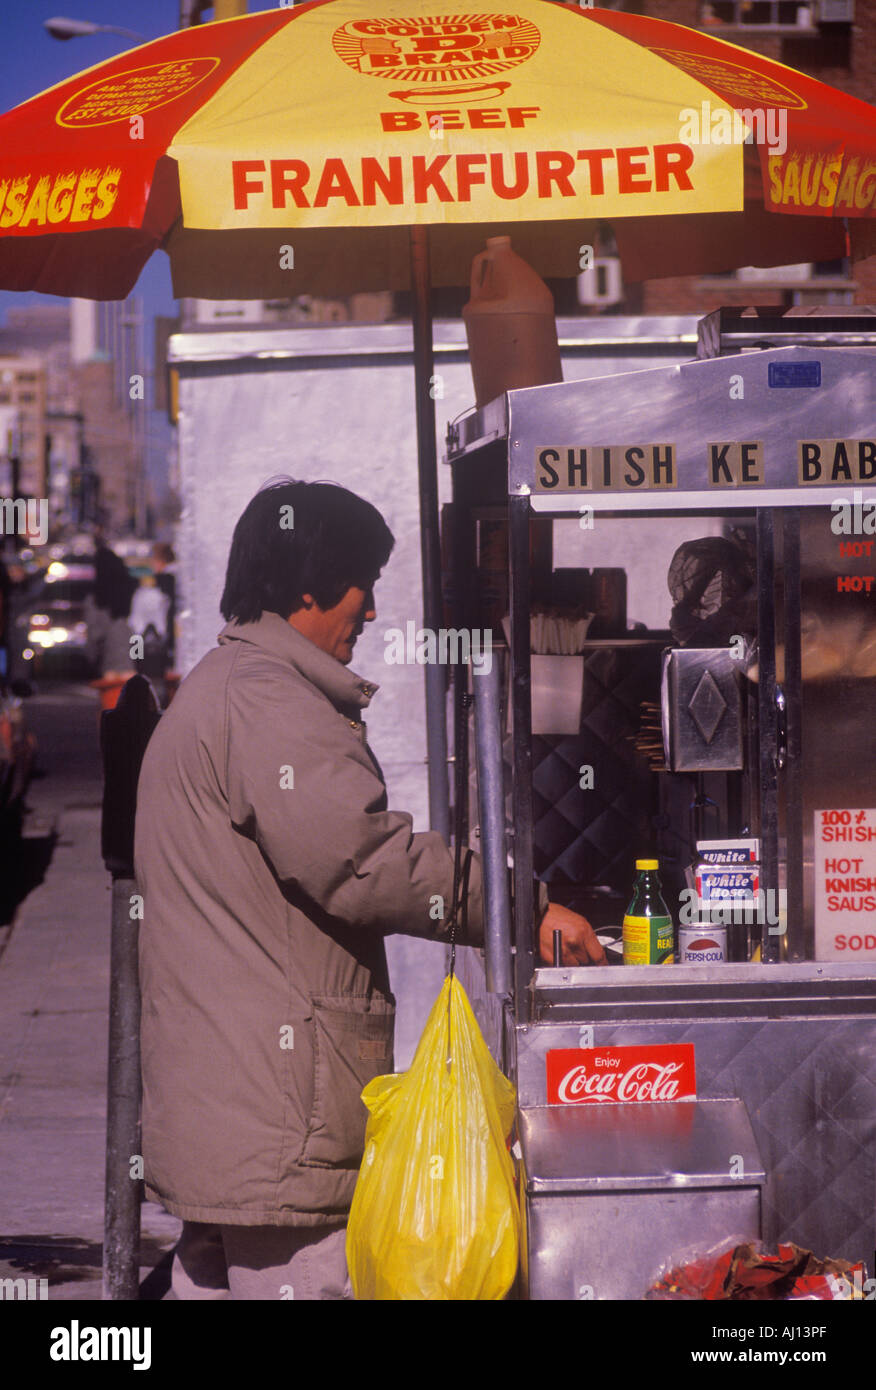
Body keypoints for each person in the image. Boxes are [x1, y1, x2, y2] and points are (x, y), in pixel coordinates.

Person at [134, 480, 602, 1302]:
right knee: (306, 1284)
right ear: (310, 587)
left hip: (233, 1101)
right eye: (365, 584)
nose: (376, 610)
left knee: (208, 1279)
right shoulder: (269, 701)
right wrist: (519, 908)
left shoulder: (226, 684)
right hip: (277, 1109)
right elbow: (361, 864)